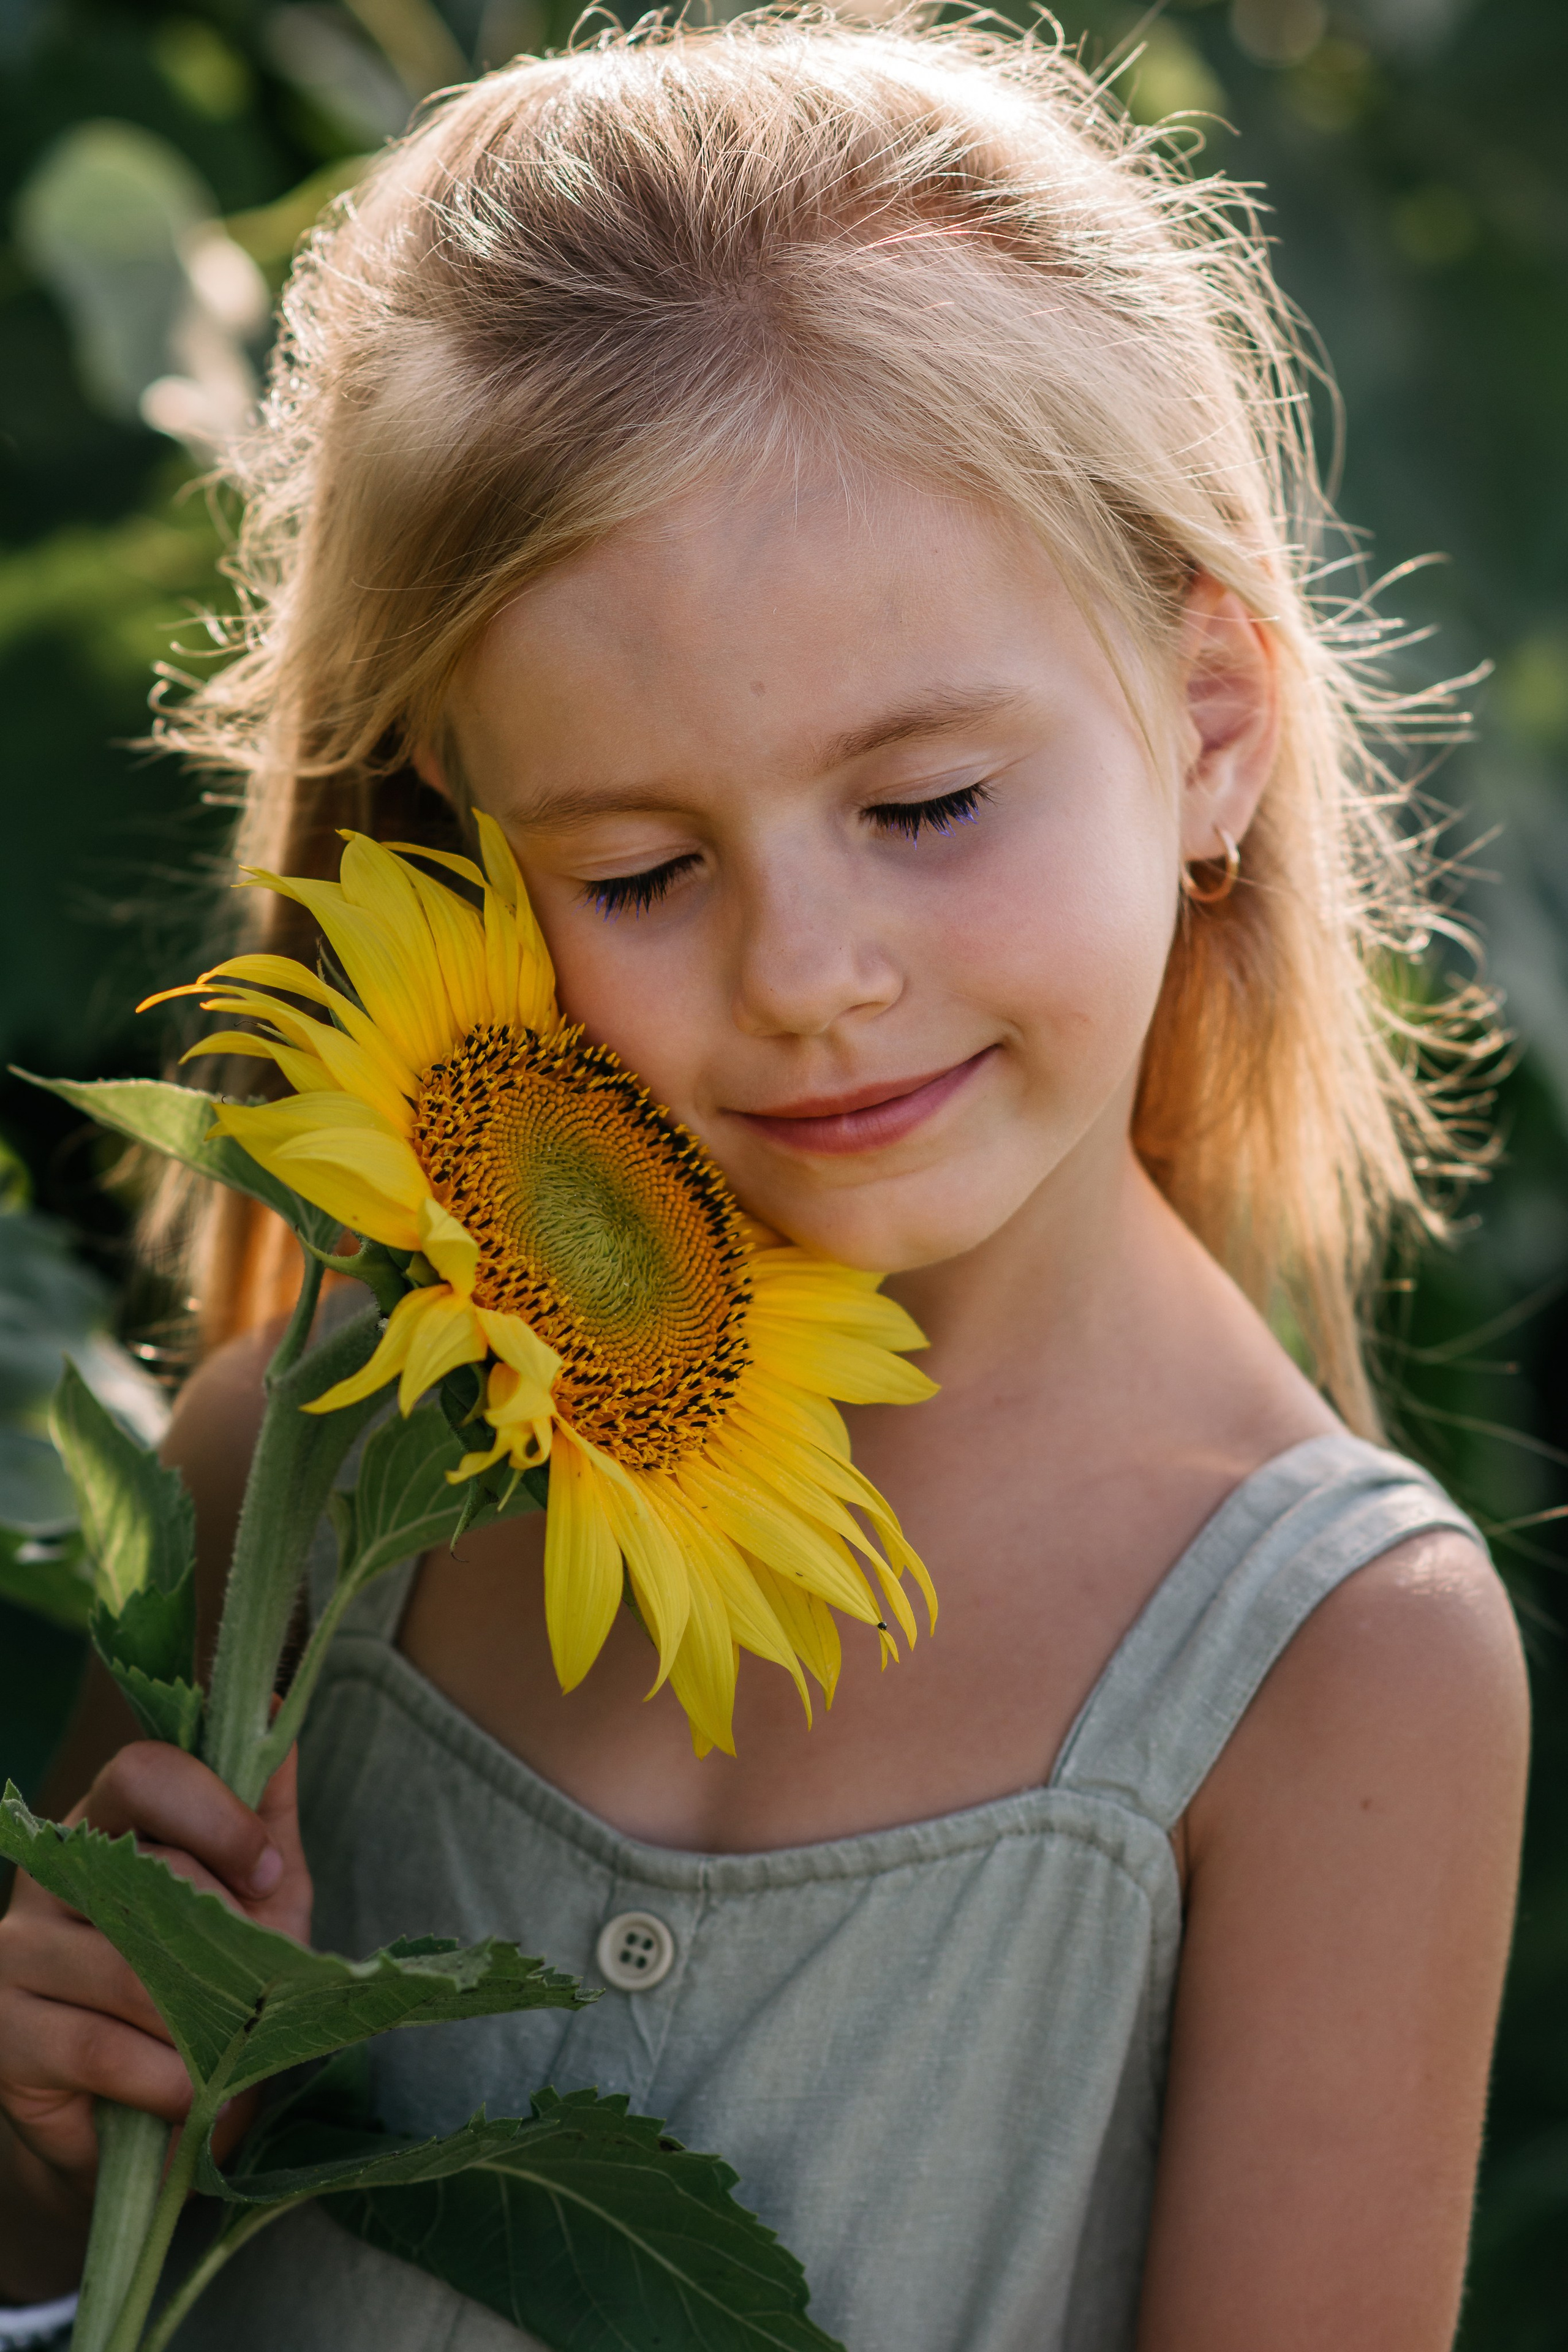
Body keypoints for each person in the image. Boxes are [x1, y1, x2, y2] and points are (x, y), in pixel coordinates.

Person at [0, 19, 1530, 2350]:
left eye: (924, 807)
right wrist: (56, 2146)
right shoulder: (301, 1475)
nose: (809, 978)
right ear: (468, 845)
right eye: (635, 868)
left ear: (1212, 722)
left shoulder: (1332, 1664)